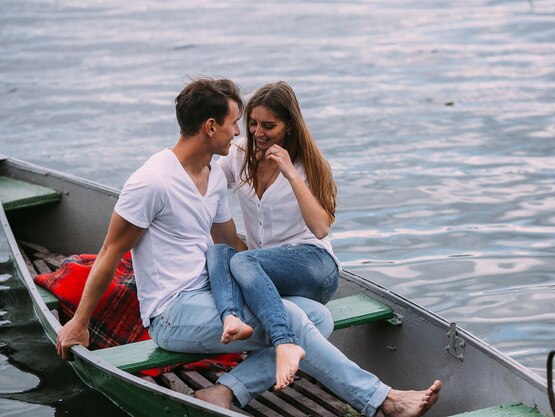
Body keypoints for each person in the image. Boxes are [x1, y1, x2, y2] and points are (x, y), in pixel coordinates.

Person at [55, 77, 442, 417]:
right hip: (172, 311)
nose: (241, 132)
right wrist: (80, 322)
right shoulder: (151, 181)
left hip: (211, 296)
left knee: (317, 317)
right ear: (211, 127)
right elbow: (110, 252)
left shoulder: (211, 175)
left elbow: (230, 244)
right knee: (290, 320)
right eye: (235, 123)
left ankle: (223, 390)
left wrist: (256, 289)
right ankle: (380, 400)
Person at [208, 81, 341, 390]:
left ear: (290, 126)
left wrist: (291, 174)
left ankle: (283, 341)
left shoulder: (308, 165)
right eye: (252, 123)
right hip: (265, 270)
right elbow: (207, 177)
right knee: (218, 253)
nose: (258, 132)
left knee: (243, 262)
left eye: (269, 126)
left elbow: (321, 228)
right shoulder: (240, 155)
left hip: (315, 266)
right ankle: (233, 319)